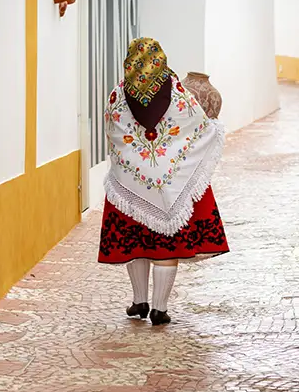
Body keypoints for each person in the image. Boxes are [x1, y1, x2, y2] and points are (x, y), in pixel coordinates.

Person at [98, 37, 229, 325]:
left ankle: (138, 301)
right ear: (161, 60)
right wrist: (213, 130)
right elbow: (197, 126)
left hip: (130, 183)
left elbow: (114, 133)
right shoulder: (179, 93)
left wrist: (134, 159)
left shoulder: (117, 94)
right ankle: (159, 308)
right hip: (170, 184)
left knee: (138, 242)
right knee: (164, 244)